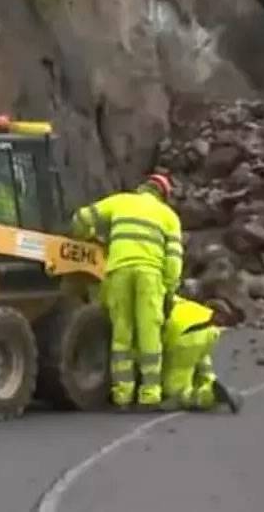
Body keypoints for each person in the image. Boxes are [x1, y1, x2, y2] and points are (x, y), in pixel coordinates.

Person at [71, 173, 183, 409]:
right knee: (149, 333)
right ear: (163, 195)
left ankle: (122, 393)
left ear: (143, 187)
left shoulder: (121, 201)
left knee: (122, 332)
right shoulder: (168, 216)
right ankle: (149, 394)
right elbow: (173, 261)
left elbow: (81, 217)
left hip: (118, 272)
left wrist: (87, 236)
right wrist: (169, 290)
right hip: (149, 276)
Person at [159, 296, 243, 413]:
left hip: (185, 335)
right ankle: (209, 382)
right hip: (207, 328)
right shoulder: (170, 297)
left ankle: (209, 396)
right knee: (201, 361)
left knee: (175, 391)